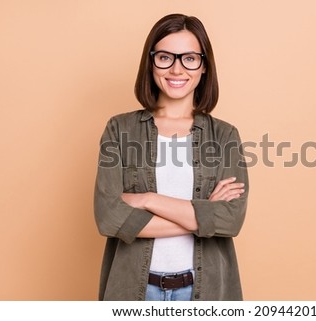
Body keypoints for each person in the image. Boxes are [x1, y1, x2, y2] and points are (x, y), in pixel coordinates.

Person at [94, 13, 249, 301]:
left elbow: (230, 220)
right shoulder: (120, 129)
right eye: (165, 57)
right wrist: (203, 215)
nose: (177, 69)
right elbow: (109, 218)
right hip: (135, 291)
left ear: (204, 66)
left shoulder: (225, 135)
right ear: (151, 62)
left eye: (189, 58)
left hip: (205, 291)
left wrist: (147, 200)